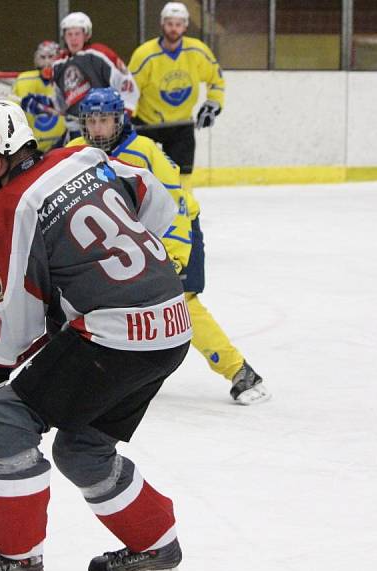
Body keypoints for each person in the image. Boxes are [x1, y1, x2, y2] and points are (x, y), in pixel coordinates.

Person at [0, 100, 191, 571]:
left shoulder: (4, 210)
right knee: (83, 448)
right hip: (170, 326)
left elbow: (11, 329)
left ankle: (17, 563)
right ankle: (156, 546)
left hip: (115, 335)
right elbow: (156, 202)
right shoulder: (81, 157)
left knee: (7, 419)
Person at [68, 88, 271, 406]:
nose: (97, 129)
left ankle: (239, 371)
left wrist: (175, 255)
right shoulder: (74, 152)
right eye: (90, 121)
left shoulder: (145, 150)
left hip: (174, 232)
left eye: (104, 120)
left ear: (119, 120)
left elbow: (175, 203)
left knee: (182, 304)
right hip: (124, 240)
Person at [128, 2, 225, 191]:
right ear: (162, 24)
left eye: (178, 24)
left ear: (185, 26)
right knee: (139, 172)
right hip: (147, 124)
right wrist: (127, 116)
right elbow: (130, 89)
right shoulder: (145, 54)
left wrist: (213, 103)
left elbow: (216, 79)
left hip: (181, 125)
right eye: (170, 23)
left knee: (182, 177)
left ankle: (184, 213)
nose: (174, 28)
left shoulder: (197, 51)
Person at [51, 11, 139, 141]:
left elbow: (128, 85)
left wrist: (122, 117)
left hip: (105, 127)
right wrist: (43, 105)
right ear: (64, 37)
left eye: (77, 34)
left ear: (86, 35)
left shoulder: (100, 54)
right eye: (69, 34)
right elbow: (60, 105)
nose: (73, 38)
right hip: (76, 130)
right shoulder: (58, 64)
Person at [10, 40, 67, 152]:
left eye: (51, 57)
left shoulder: (68, 80)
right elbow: (12, 113)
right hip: (33, 148)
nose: (47, 62)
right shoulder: (24, 80)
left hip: (64, 145)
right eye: (43, 57)